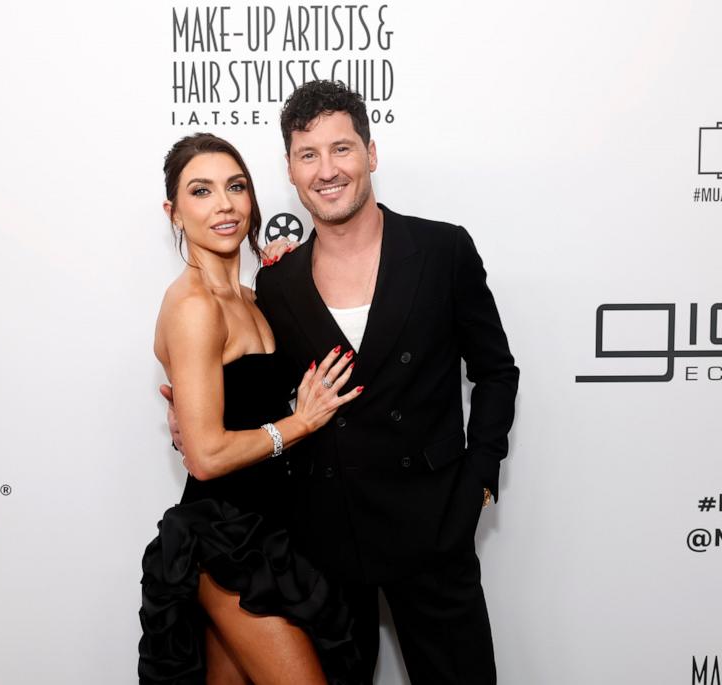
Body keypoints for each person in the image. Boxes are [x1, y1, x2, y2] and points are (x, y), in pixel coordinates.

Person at [166, 80, 519, 683]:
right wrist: (196, 419)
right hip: (322, 543)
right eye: (308, 155)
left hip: (432, 529)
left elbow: (495, 371)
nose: (326, 170)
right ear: (290, 170)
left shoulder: (442, 249)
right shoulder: (278, 284)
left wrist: (478, 479)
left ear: (371, 154)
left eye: (342, 149)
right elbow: (258, 384)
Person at [138, 132, 364, 685]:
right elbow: (208, 456)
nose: (224, 205)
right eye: (201, 191)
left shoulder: (253, 296)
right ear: (174, 211)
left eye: (236, 187)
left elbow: (238, 405)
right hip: (225, 538)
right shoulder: (192, 306)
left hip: (275, 531)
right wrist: (301, 422)